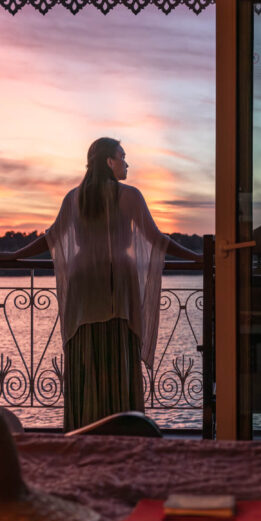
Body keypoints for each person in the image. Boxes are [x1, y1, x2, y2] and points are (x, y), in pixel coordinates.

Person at [0, 138, 202, 431]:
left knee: (86, 349)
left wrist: (15, 255)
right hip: (117, 279)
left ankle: (85, 425)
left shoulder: (74, 197)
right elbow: (157, 240)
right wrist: (197, 256)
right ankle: (124, 426)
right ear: (109, 161)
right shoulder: (129, 196)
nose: (127, 163)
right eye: (122, 157)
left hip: (83, 280)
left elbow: (51, 238)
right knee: (118, 348)